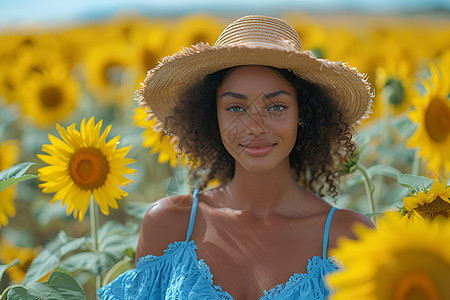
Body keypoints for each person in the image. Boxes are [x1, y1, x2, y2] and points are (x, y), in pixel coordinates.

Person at [98, 15, 375, 299]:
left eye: (276, 107)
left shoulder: (347, 237)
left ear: (303, 113)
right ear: (211, 115)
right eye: (235, 108)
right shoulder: (171, 225)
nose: (254, 126)